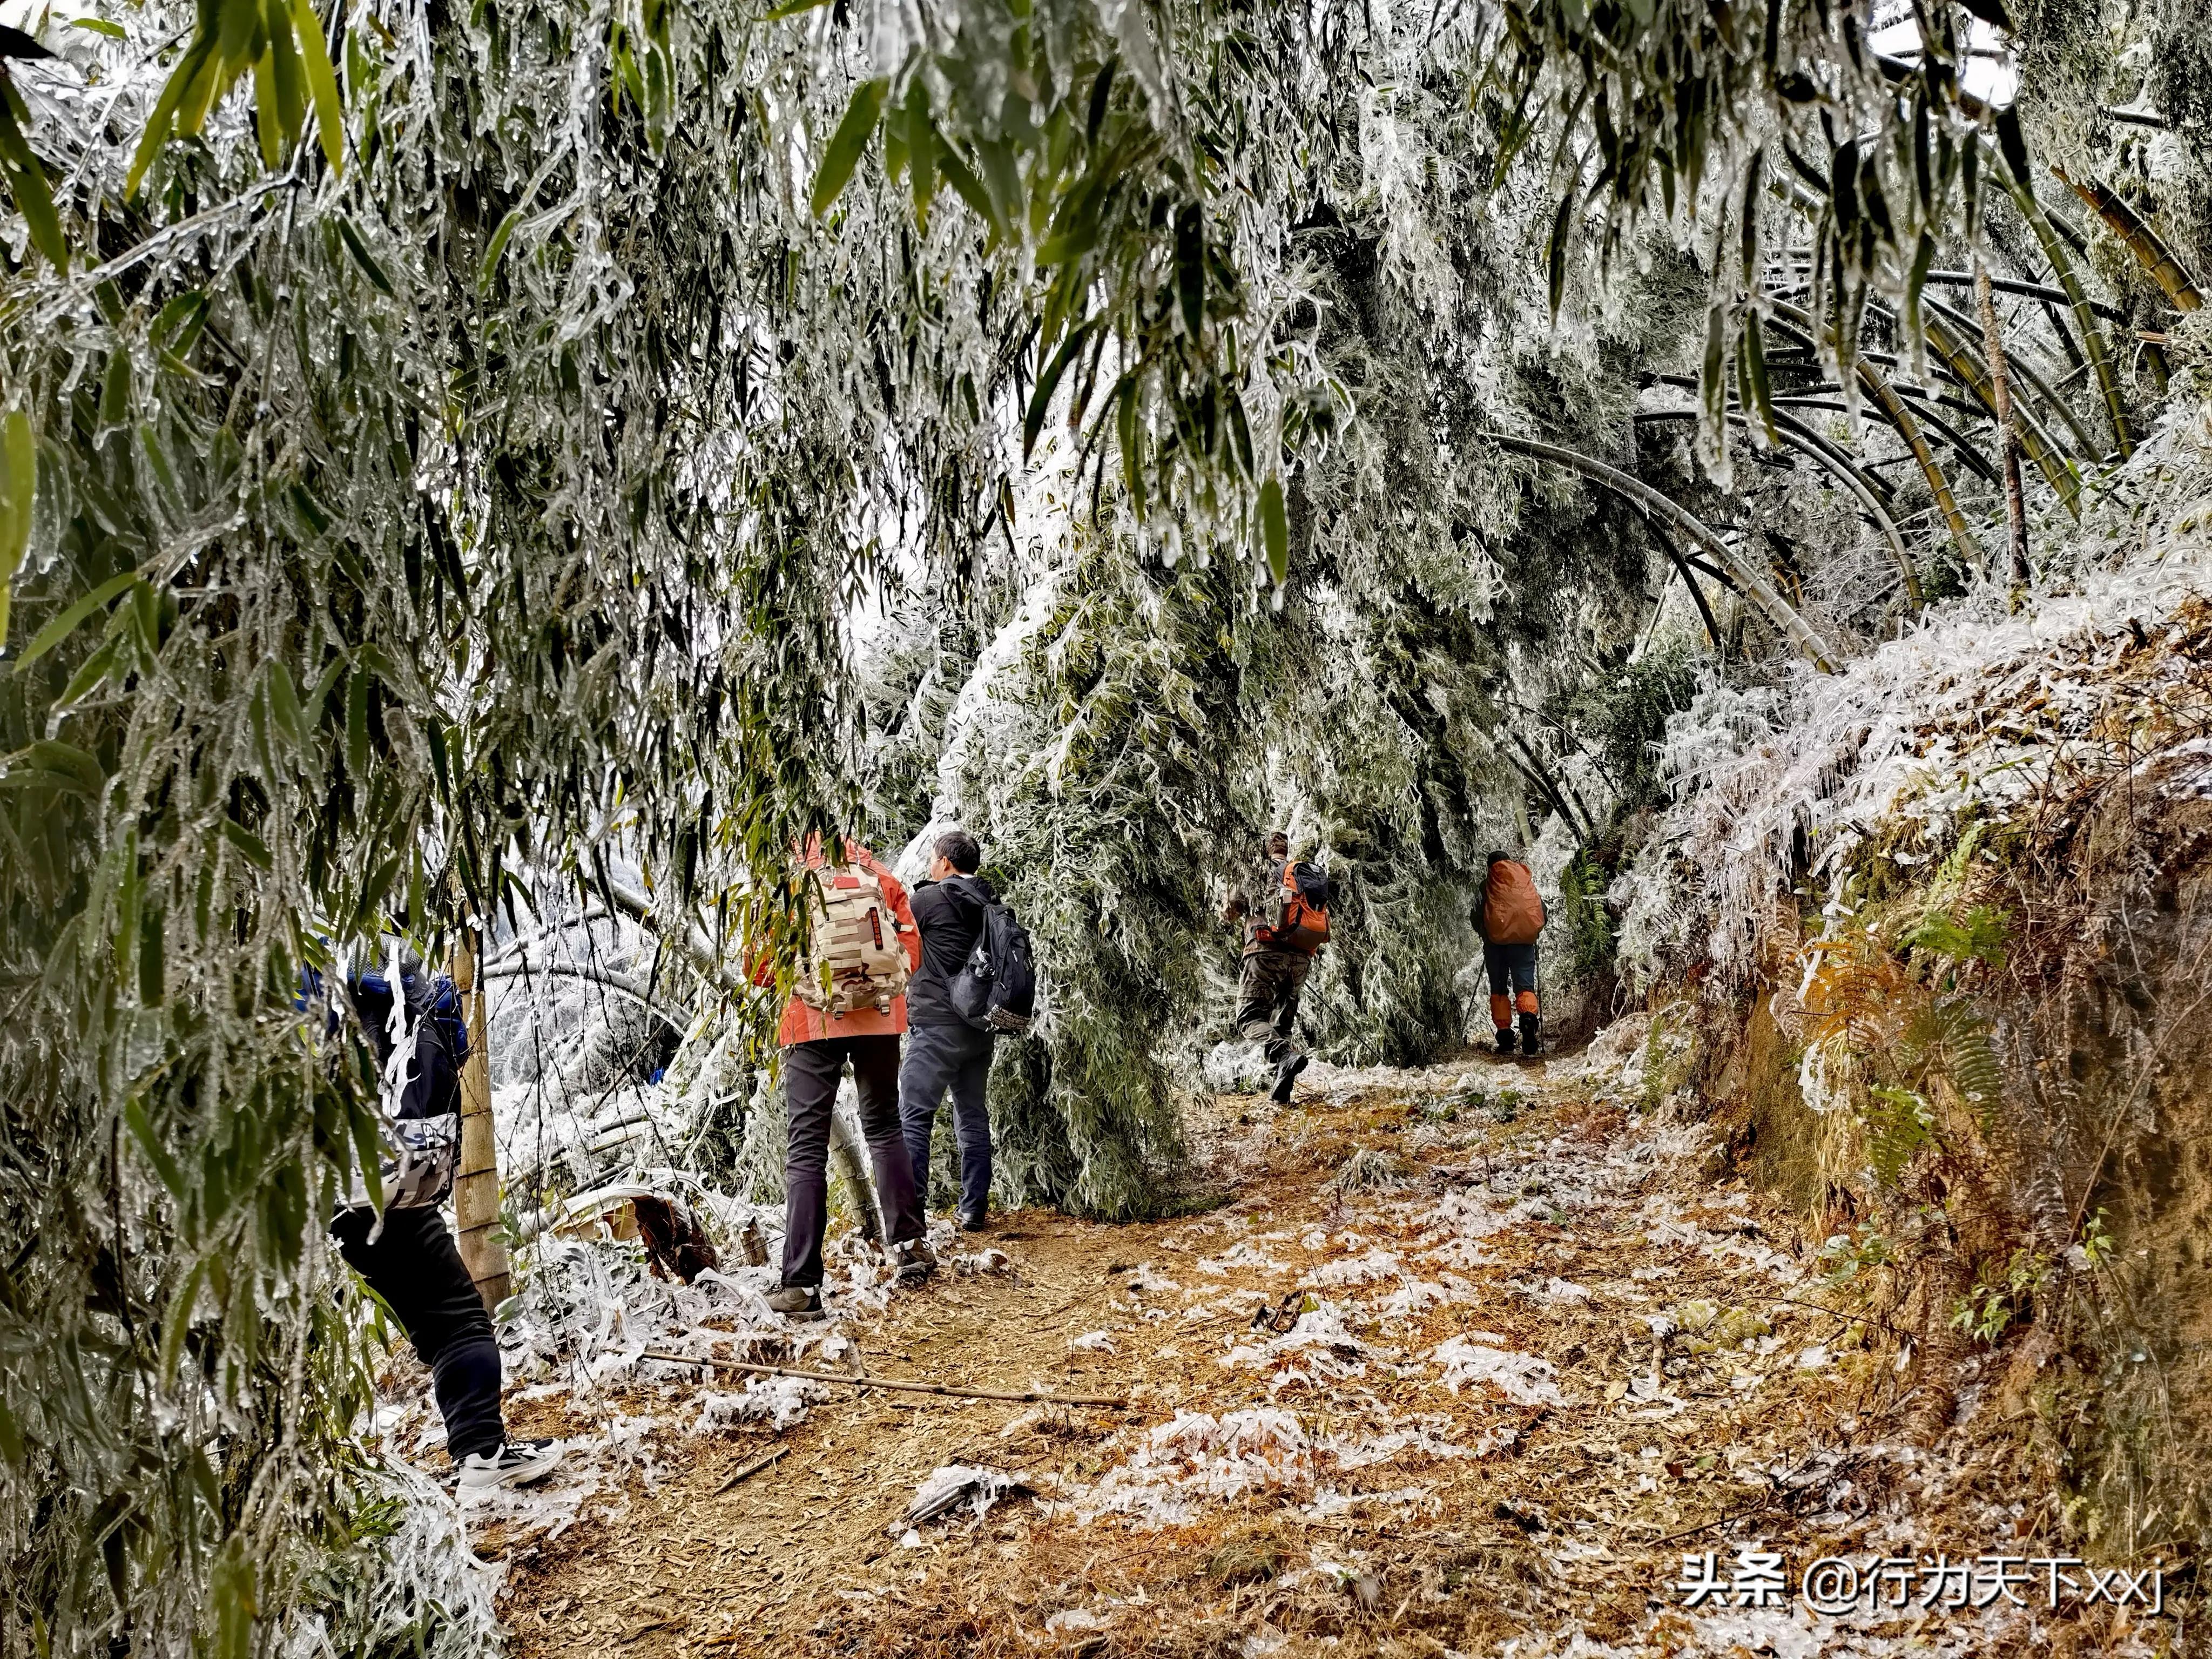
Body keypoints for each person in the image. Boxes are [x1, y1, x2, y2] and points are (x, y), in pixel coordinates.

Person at [327, 955, 562, 1491]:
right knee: (457, 1324)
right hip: (398, 1176)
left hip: (317, 1186)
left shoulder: (297, 961)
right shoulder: (404, 969)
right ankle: (481, 1453)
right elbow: (455, 1050)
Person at [762, 835, 935, 1320]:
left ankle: (800, 1287)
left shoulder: (788, 885)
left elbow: (759, 967)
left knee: (807, 1148)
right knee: (884, 1125)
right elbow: (911, 954)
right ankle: (911, 1246)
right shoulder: (880, 876)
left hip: (810, 1021)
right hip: (881, 1017)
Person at [899, 828, 1000, 1232]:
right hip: (979, 1027)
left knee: (914, 1115)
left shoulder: (926, 899)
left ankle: (912, 1217)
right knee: (972, 1115)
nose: (929, 865)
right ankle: (974, 1209)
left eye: (932, 859)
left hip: (937, 1025)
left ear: (944, 863)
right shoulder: (989, 901)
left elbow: (897, 940)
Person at [1223, 831, 1329, 1103]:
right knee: (1282, 1025)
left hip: (1265, 952)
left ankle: (1283, 1056)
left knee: (1248, 1018)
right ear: (1285, 850)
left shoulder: (1257, 871)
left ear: (1266, 850)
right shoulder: (1302, 876)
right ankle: (1281, 1092)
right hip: (1301, 958)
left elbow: (1230, 911)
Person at [1472, 850, 1547, 1056]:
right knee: (1525, 984)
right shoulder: (1523, 880)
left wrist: (1486, 933)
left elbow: (1476, 916)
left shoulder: (1486, 885)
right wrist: (1532, 933)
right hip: (1523, 943)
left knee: (1499, 988)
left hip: (1495, 945)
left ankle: (1505, 1037)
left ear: (1490, 867)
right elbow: (1542, 911)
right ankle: (1528, 1021)